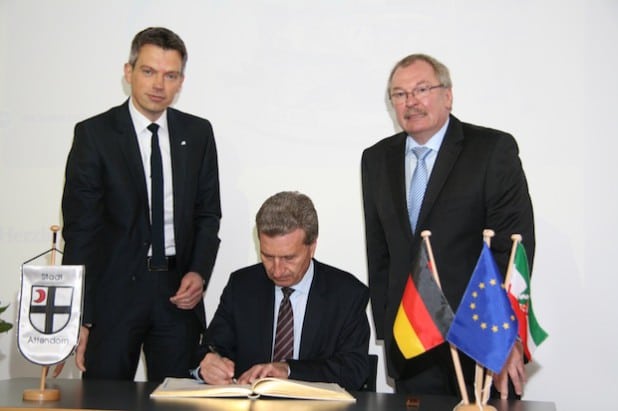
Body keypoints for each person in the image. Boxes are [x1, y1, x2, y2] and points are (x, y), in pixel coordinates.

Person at [361, 54, 534, 398]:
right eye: (399, 94)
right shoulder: (375, 158)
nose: (411, 101)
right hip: (411, 340)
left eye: (422, 89)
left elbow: (513, 248)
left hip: (479, 342)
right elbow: (379, 250)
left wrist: (507, 336)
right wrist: (386, 327)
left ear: (448, 95)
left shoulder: (491, 150)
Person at [61, 27, 221, 381]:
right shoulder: (94, 135)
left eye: (170, 75)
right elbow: (81, 230)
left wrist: (198, 271)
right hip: (112, 297)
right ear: (128, 71)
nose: (158, 85)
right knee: (103, 400)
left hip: (176, 296)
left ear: (181, 81)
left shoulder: (198, 134)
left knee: (179, 399)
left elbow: (208, 214)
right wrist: (80, 315)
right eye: (148, 71)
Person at [195, 191, 370, 390]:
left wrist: (288, 370)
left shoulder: (347, 294)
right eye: (267, 257)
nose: (277, 270)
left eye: (288, 258)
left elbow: (353, 369)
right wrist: (208, 364)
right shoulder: (242, 286)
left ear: (312, 246)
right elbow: (212, 347)